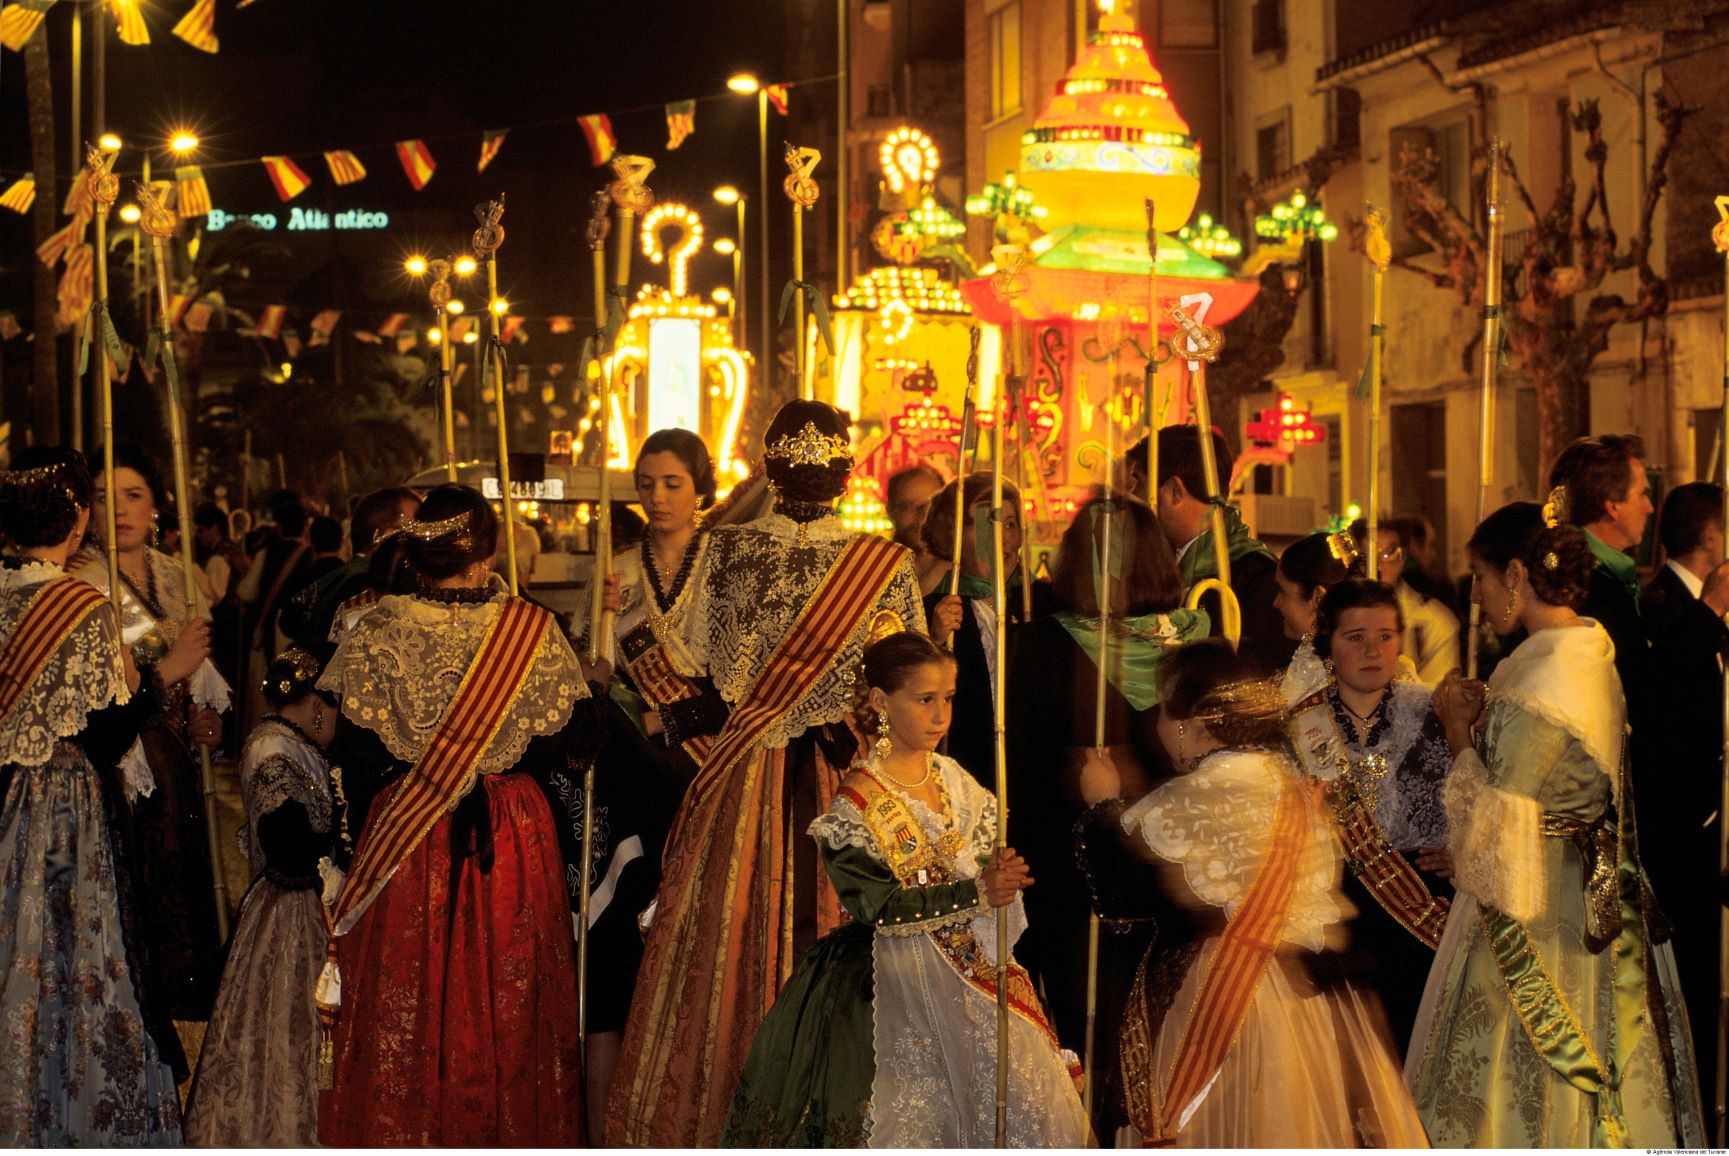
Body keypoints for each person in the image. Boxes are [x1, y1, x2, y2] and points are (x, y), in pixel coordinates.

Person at [606, 400, 926, 1147]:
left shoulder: (724, 551)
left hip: (746, 778)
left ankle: (729, 1110)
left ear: (769, 470)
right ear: (848, 473)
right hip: (853, 784)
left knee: (728, 947)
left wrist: (629, 635)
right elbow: (912, 690)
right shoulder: (886, 563)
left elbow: (682, 675)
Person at [1409, 501, 1703, 1146]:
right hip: (1585, 881)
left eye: (1482, 578)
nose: (1480, 598)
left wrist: (1459, 731)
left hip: (1538, 901)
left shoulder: (1546, 674)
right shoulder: (1580, 652)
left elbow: (1498, 820)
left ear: (1515, 573)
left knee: (1523, 1058)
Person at [724, 631, 1090, 1146]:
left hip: (973, 973)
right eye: (924, 700)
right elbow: (879, 906)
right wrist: (976, 892)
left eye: (948, 698)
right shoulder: (854, 806)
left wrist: (1000, 876)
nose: (941, 715)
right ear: (880, 702)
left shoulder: (959, 782)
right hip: (886, 976)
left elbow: (978, 865)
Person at [315, 485, 597, 1146]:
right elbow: (575, 743)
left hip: (407, 838)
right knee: (507, 1003)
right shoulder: (530, 626)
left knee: (406, 1000)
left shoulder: (376, 627)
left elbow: (353, 752)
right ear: (488, 551)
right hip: (508, 835)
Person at [1117, 640, 1426, 1146]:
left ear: (1188, 722)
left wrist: (1103, 801)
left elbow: (1122, 890)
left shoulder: (1197, 793)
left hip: (1228, 998)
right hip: (1305, 996)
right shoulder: (1288, 780)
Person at [0, 447, 207, 1145]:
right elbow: (104, 725)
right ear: (79, 516)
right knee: (63, 954)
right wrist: (163, 676)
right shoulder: (78, 602)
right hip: (57, 809)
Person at [1005, 493, 1207, 1139]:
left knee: (1162, 1020)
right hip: (1068, 866)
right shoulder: (1037, 639)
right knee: (1077, 1021)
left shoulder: (1189, 642)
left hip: (1163, 863)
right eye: (1094, 556)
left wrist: (1134, 781)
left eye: (1120, 557)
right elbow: (1020, 753)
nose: (1107, 573)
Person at [558, 428, 722, 1138]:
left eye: (672, 483)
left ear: (701, 490)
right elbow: (589, 670)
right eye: (647, 483)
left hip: (710, 765)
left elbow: (746, 673)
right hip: (635, 776)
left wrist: (675, 714)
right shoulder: (616, 568)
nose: (658, 497)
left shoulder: (727, 566)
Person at [72, 442, 230, 1047]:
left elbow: (200, 678)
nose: (120, 510)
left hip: (178, 760)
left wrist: (206, 720)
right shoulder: (82, 581)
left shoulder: (177, 572)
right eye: (104, 498)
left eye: (133, 495)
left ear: (156, 506)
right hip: (120, 759)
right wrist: (170, 671)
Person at [1285, 578, 1453, 1049]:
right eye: (1355, 637)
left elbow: (1478, 801)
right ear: (1328, 645)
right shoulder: (1301, 726)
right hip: (1340, 919)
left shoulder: (1438, 714)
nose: (1373, 650)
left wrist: (1461, 849)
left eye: (1385, 636)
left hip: (1421, 912)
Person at [184, 645, 338, 1146]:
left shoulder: (298, 746)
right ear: (318, 704)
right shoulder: (272, 749)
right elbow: (287, 843)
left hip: (311, 907)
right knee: (283, 1038)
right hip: (289, 918)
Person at [1639, 480, 1729, 1107]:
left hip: (1714, 819)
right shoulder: (1663, 604)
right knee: (1689, 981)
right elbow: (1665, 695)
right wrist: (1710, 613)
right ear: (1712, 539)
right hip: (1682, 828)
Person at [1126, 426, 1291, 676]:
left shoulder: (1256, 579)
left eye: (1138, 484)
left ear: (1174, 492)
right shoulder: (1152, 571)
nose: (1132, 498)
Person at [922, 471, 1048, 786]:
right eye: (986, 524)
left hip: (1034, 777)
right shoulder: (933, 609)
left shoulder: (1045, 603)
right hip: (962, 777)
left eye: (1009, 524)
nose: (1002, 539)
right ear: (954, 534)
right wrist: (934, 641)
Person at [1547, 434, 1654, 701]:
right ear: (1613, 505)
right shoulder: (1580, 584)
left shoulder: (1611, 576)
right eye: (1642, 494)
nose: (1649, 508)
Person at [290, 485, 421, 644]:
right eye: (417, 527)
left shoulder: (342, 576)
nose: (425, 537)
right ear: (389, 536)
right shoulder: (368, 588)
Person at [1354, 516, 1460, 685]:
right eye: (1366, 556)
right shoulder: (1337, 615)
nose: (1377, 565)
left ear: (1402, 558)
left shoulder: (1433, 620)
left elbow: (1434, 694)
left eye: (1388, 554)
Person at [886, 461, 948, 594]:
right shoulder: (876, 572)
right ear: (891, 510)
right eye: (909, 506)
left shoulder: (964, 577)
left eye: (930, 505)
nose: (922, 516)